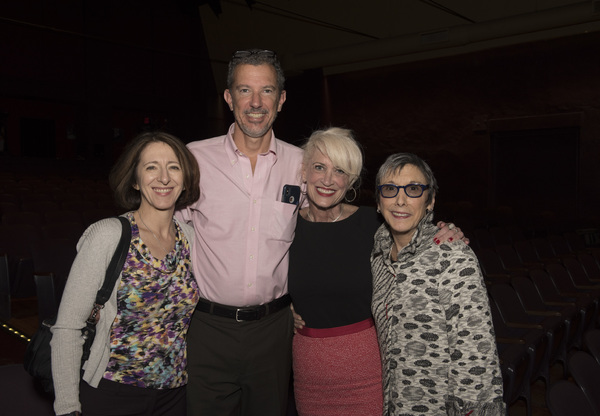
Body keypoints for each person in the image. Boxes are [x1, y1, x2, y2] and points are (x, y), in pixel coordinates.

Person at [288, 128, 466, 416]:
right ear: (304, 172)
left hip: (367, 372)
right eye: (319, 167)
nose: (328, 180)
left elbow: (415, 239)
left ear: (352, 181)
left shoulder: (374, 224)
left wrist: (445, 232)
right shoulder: (284, 228)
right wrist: (282, 312)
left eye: (340, 171)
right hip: (309, 372)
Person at [178, 49, 303, 415]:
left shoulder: (301, 164)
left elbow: (325, 226)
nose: (255, 102)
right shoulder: (194, 159)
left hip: (274, 330)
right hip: (207, 328)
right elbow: (163, 230)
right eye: (244, 90)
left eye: (266, 91)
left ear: (281, 99)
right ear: (229, 97)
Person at [51, 131, 200, 416]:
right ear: (135, 179)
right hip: (112, 393)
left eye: (174, 167)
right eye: (151, 167)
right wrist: (68, 407)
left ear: (186, 179)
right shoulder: (108, 235)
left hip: (174, 396)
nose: (164, 178)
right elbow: (68, 327)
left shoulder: (191, 240)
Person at [371, 153, 505, 416]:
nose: (400, 200)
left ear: (430, 201)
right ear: (378, 201)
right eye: (390, 189)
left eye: (413, 189)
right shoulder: (378, 254)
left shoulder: (452, 255)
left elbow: (476, 354)